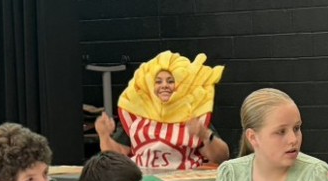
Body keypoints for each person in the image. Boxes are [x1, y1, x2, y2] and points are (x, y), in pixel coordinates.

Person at [95, 50, 229, 170]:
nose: (164, 86)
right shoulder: (137, 116)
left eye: (170, 81)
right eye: (158, 82)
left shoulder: (193, 115)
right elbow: (117, 155)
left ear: (180, 85)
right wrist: (104, 136)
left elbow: (222, 157)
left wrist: (205, 134)